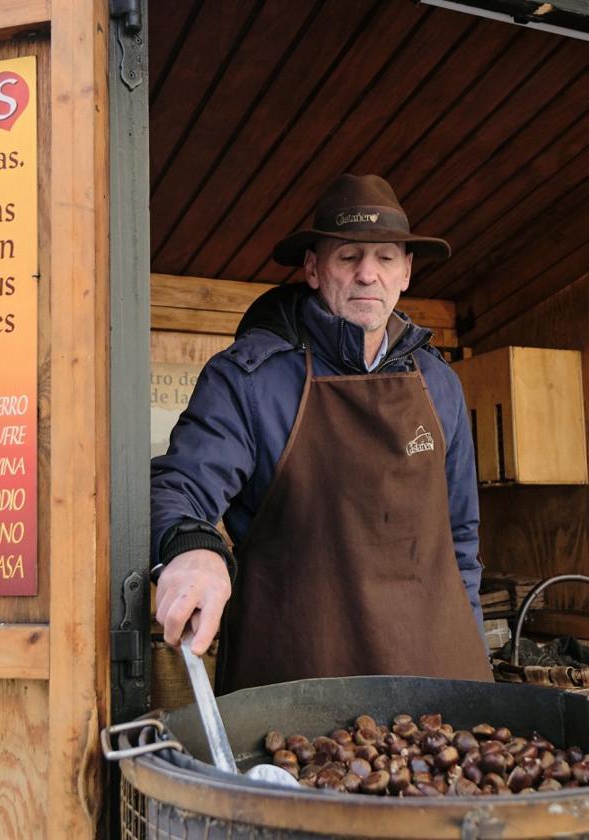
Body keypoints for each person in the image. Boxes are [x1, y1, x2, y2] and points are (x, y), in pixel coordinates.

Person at [151, 173, 491, 692]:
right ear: (313, 268)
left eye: (385, 259)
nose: (367, 275)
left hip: (439, 682)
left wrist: (474, 657)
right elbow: (176, 489)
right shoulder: (248, 380)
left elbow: (462, 537)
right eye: (349, 256)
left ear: (406, 273)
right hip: (297, 688)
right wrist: (194, 549)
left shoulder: (439, 382)